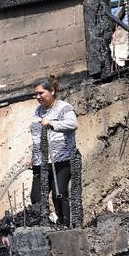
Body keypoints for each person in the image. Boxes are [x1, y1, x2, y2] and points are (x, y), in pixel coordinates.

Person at [29, 75, 78, 227]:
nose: (38, 97)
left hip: (61, 160)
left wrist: (52, 123)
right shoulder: (37, 112)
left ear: (51, 91)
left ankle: (65, 225)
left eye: (41, 93)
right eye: (36, 94)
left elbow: (72, 124)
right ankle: (48, 224)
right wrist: (32, 155)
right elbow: (35, 136)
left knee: (59, 193)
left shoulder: (64, 108)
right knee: (36, 197)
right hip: (40, 162)